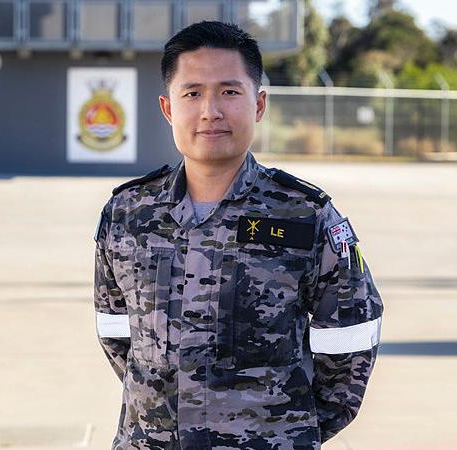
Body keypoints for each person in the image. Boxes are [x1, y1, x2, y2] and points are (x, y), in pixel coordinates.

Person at [93, 21, 383, 450]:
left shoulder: (305, 216)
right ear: (168, 108)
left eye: (229, 91)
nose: (210, 111)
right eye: (192, 93)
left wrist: (288, 429)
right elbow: (117, 332)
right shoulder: (127, 213)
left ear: (259, 104)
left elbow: (351, 340)